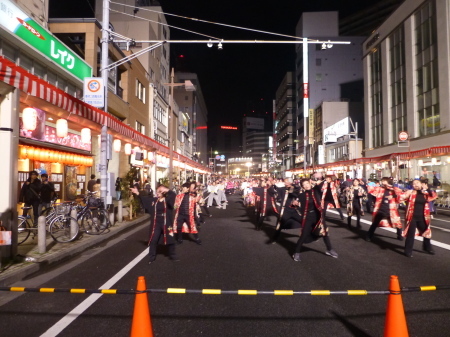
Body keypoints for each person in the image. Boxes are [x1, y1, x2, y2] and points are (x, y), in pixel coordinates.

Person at [292, 179, 338, 261]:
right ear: (302, 187)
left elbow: (321, 184)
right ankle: (296, 252)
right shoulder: (302, 195)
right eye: (304, 185)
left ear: (310, 183)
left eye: (307, 183)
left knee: (324, 233)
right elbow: (294, 203)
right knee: (304, 234)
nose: (306, 185)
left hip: (318, 215)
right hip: (308, 217)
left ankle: (330, 249)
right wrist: (294, 203)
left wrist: (324, 179)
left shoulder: (315, 191)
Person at [132, 184, 179, 263]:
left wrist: (167, 190)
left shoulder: (168, 200)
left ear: (164, 192)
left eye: (160, 192)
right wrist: (137, 193)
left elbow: (174, 195)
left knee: (170, 238)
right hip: (156, 223)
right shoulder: (154, 201)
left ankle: (172, 255)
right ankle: (151, 257)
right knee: (153, 239)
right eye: (157, 192)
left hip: (167, 223)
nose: (158, 193)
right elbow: (144, 200)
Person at [402, 178, 436, 257]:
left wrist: (427, 189)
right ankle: (408, 251)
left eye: (417, 183)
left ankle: (427, 247)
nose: (415, 185)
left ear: (421, 184)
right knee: (410, 234)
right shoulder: (410, 192)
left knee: (426, 232)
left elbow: (433, 196)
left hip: (423, 217)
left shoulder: (425, 193)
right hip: (412, 217)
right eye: (413, 184)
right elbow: (401, 197)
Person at [365, 177, 403, 242]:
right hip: (381, 208)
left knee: (397, 223)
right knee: (375, 223)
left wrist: (392, 195)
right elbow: (371, 189)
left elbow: (401, 194)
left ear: (388, 182)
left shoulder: (394, 189)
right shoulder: (380, 189)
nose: (382, 182)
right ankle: (369, 235)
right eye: (382, 181)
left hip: (392, 209)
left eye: (384, 181)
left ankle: (399, 235)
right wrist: (366, 185)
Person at [271, 178, 301, 243]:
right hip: (285, 210)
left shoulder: (296, 188)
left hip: (294, 210)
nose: (285, 183)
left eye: (286, 182)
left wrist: (297, 200)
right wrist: (272, 185)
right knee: (279, 225)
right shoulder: (282, 189)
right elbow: (275, 190)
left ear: (290, 182)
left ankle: (309, 235)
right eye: (285, 182)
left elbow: (298, 195)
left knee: (304, 221)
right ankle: (274, 238)